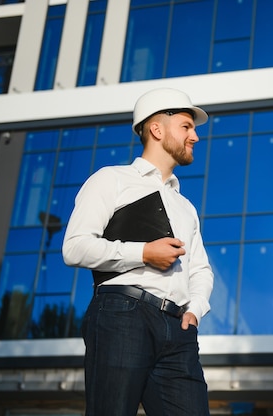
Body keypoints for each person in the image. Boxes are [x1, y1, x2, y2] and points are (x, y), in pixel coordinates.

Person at [62, 87, 214, 416]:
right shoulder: (111, 180)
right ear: (157, 130)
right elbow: (74, 247)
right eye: (187, 127)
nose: (195, 137)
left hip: (179, 328)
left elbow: (200, 269)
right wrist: (144, 253)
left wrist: (195, 311)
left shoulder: (185, 206)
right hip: (122, 314)